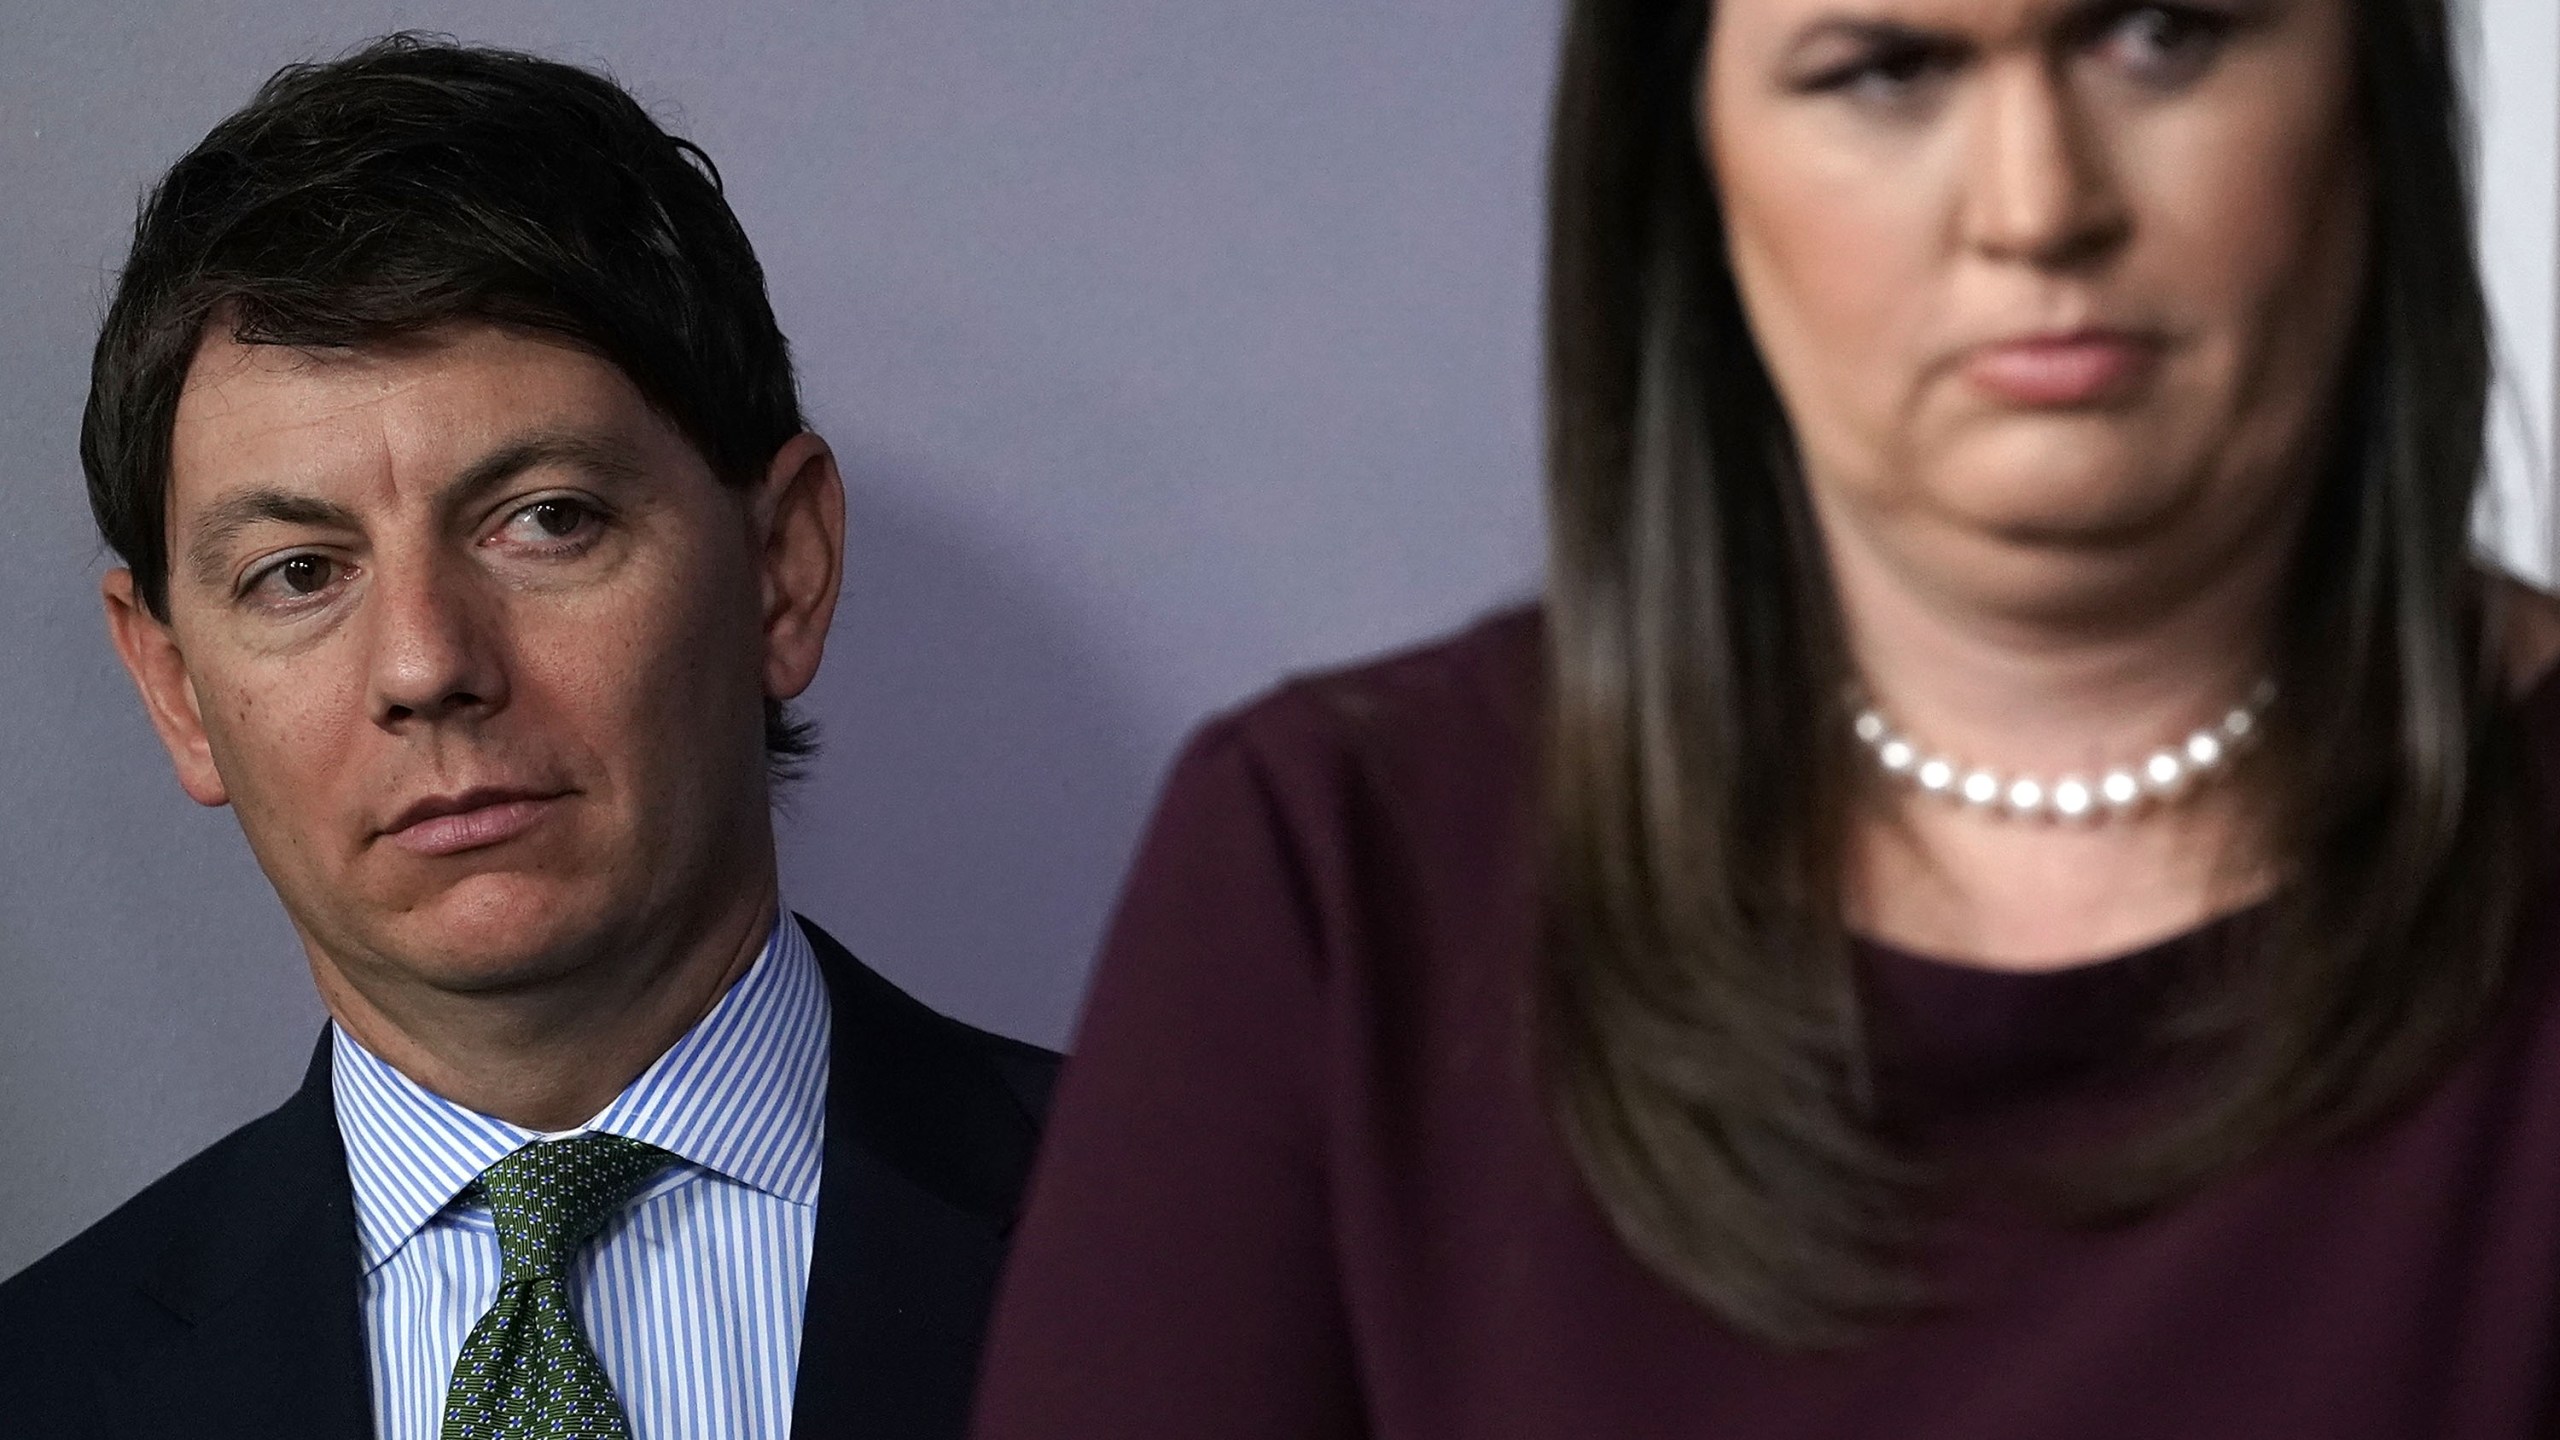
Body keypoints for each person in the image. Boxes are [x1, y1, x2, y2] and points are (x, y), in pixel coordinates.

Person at [972, 0, 2560, 1434]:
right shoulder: (1332, 870)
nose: (2040, 205)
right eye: (1884, 70)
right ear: (1693, 166)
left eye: (2161, 37)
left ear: (2372, 87)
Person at [0, 36, 1057, 1440]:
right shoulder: (40, 1384)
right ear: (179, 691)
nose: (430, 664)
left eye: (545, 518)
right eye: (300, 573)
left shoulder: (1221, 1244)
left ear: (783, 570)